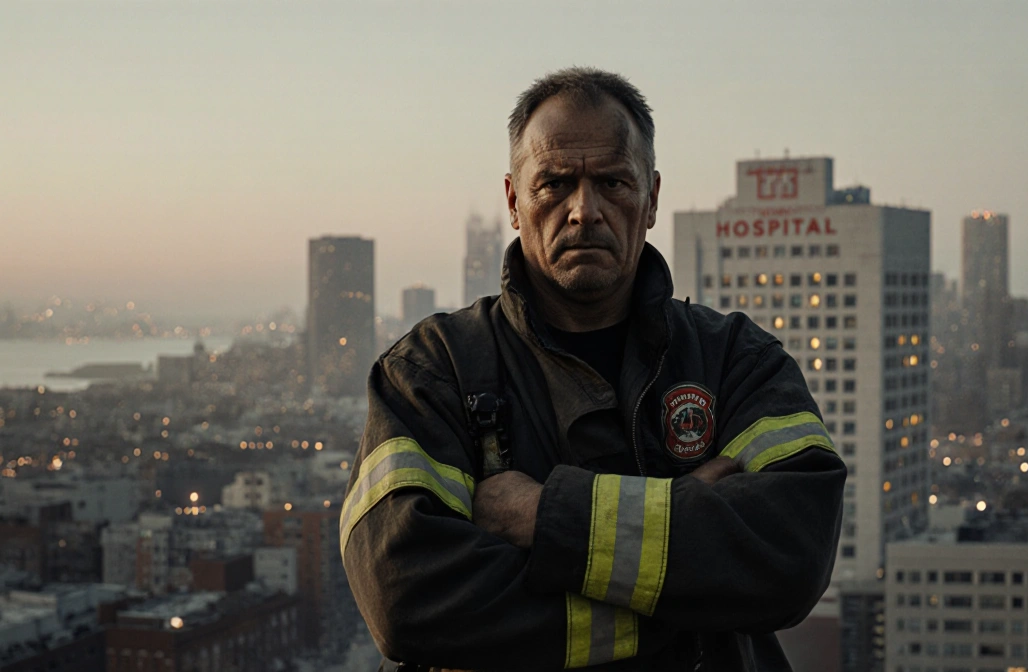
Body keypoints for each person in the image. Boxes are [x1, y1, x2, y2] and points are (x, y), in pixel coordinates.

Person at [341, 67, 846, 671]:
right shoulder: (430, 372)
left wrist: (538, 514)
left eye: (612, 181)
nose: (585, 210)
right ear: (513, 202)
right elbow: (405, 595)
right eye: (554, 183)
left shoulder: (735, 359)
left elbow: (791, 554)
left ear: (652, 198)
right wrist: (680, 567)